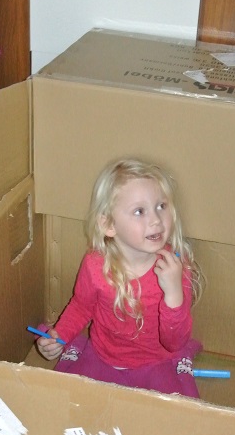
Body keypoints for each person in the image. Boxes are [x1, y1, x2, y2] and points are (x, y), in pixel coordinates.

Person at [36, 158, 204, 397]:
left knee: (172, 413)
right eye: (139, 211)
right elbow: (81, 306)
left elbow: (175, 342)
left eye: (161, 206)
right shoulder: (95, 264)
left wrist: (174, 293)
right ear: (109, 225)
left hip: (156, 362)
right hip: (103, 356)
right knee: (68, 400)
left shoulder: (175, 267)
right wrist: (59, 336)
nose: (156, 220)